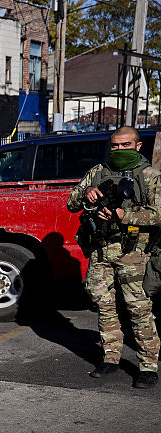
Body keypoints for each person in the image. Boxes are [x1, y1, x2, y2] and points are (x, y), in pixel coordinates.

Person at [67, 126, 161, 389]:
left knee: (139, 309)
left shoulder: (151, 177)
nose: (119, 150)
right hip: (101, 251)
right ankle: (110, 359)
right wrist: (87, 196)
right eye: (115, 146)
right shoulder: (97, 172)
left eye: (125, 145)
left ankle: (148, 366)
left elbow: (159, 214)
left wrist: (124, 215)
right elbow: (71, 202)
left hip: (134, 254)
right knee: (104, 306)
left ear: (138, 146)